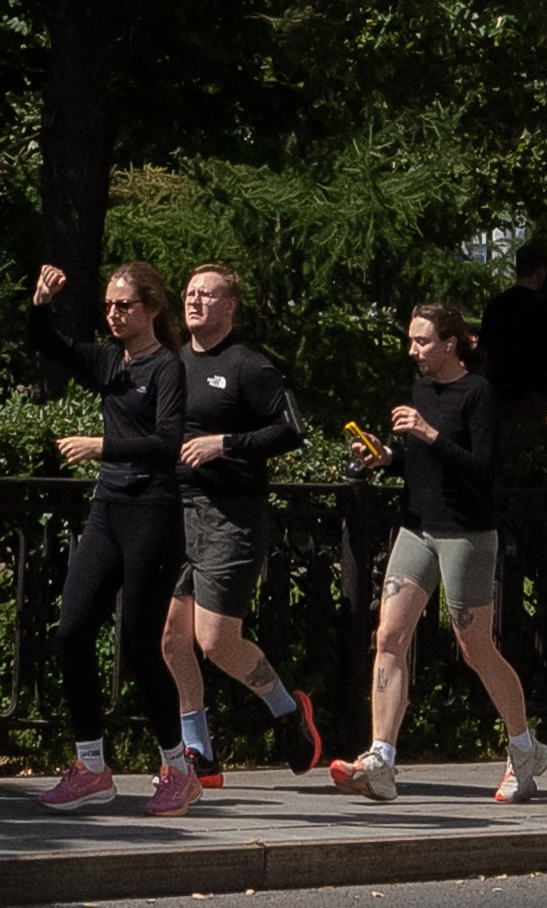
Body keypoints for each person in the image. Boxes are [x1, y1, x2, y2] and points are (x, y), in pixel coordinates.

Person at [331, 301, 547, 807]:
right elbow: (424, 465)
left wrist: (428, 433)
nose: (413, 350)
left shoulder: (478, 393)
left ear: (451, 344)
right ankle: (381, 759)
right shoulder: (421, 390)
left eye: (423, 341)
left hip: (466, 533)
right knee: (388, 636)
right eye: (411, 340)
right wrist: (388, 457)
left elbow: (482, 468)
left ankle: (524, 748)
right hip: (417, 528)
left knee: (475, 648)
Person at [30, 256, 195, 815]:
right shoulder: (109, 361)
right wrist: (42, 304)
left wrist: (100, 446)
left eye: (124, 305)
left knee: (140, 644)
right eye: (107, 306)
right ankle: (91, 767)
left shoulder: (167, 368)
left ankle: (178, 767)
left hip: (152, 512)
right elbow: (47, 343)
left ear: (151, 308)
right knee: (72, 631)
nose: (114, 314)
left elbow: (167, 442)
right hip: (108, 510)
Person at [160, 263, 321, 784]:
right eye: (190, 293)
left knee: (215, 641)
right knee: (170, 637)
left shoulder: (248, 366)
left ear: (230, 306)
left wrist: (225, 444)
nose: (194, 301)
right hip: (176, 511)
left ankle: (287, 709)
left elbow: (290, 430)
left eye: (207, 294)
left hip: (231, 515)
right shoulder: (171, 362)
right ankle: (199, 753)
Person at [477, 251, 547, 431]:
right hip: (533, 390)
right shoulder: (544, 308)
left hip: (497, 387)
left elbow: (483, 349)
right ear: (539, 273)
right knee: (529, 439)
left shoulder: (495, 305)